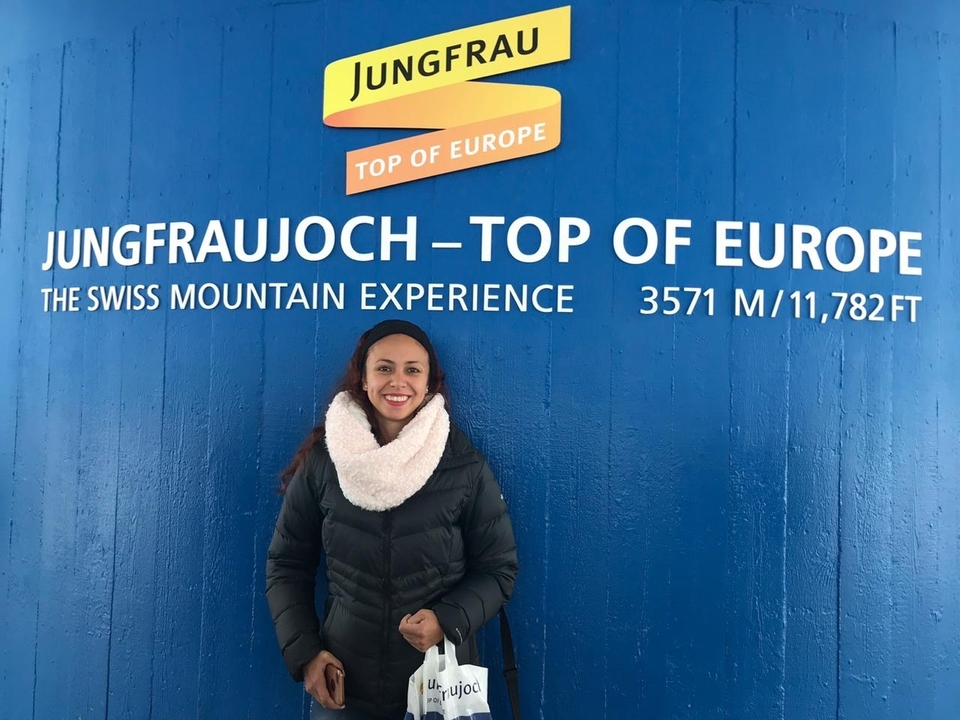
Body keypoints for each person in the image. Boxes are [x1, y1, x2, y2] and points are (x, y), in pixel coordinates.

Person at [266, 319, 519, 720]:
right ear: (363, 380)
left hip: (439, 685)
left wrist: (446, 619)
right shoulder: (325, 464)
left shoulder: (462, 466)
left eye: (412, 370)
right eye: (384, 368)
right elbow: (286, 565)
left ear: (429, 384)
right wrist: (307, 655)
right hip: (345, 688)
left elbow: (498, 569)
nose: (397, 381)